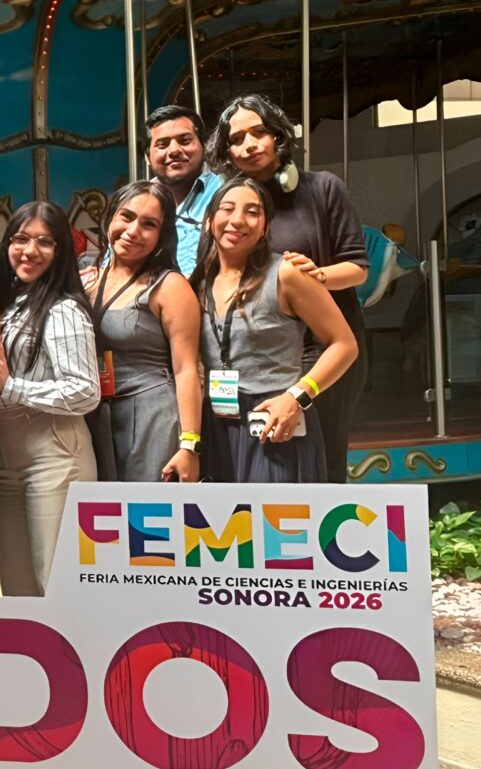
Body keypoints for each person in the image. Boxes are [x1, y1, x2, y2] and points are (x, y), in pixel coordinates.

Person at [206, 95, 369, 483]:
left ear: (278, 136)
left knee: (322, 460)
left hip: (322, 347)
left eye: (259, 132)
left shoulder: (323, 188)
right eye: (237, 139)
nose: (249, 145)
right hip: (259, 353)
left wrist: (315, 278)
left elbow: (358, 268)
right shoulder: (230, 209)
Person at [191, 176, 360, 483]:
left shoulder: (287, 273)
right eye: (227, 209)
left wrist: (298, 397)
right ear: (209, 222)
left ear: (266, 227)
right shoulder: (199, 282)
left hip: (276, 419)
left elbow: (344, 344)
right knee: (227, 515)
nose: (237, 220)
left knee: (275, 515)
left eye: (252, 212)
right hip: (218, 423)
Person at [0, 201, 99, 597]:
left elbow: (86, 390)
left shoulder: (63, 309)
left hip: (55, 455)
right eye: (20, 239)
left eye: (45, 242)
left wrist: (12, 386)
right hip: (5, 458)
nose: (30, 251)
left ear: (61, 251)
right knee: (16, 587)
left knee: (57, 584)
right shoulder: (7, 302)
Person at [85, 181, 204, 483]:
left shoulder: (170, 286)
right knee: (101, 511)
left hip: (152, 417)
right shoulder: (87, 277)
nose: (133, 230)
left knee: (149, 510)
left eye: (149, 224)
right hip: (96, 416)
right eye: (126, 216)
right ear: (110, 216)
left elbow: (187, 369)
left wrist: (189, 444)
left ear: (162, 235)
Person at [146, 105, 223, 277]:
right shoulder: (138, 201)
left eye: (185, 141)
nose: (174, 150)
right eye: (162, 144)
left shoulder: (227, 192)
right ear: (147, 157)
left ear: (203, 146)